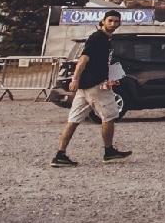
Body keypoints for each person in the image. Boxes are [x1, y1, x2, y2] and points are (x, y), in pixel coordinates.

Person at [50, 11, 130, 167]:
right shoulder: (97, 38)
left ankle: (60, 154)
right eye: (110, 21)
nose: (113, 24)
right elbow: (83, 59)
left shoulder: (105, 39)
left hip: (86, 88)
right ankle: (109, 151)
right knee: (109, 116)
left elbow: (100, 62)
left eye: (116, 21)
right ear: (103, 21)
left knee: (73, 120)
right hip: (95, 86)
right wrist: (75, 79)